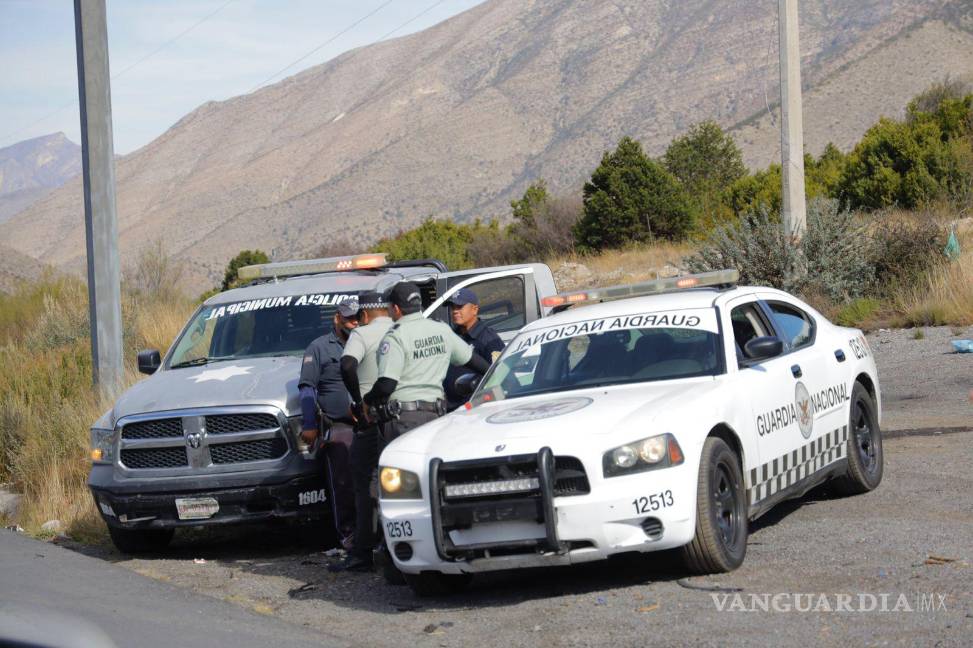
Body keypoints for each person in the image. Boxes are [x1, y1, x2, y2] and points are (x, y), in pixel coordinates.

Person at [363, 282, 491, 444]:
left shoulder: (395, 336)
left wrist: (367, 400)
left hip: (404, 420)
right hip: (436, 417)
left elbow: (387, 384)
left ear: (395, 309)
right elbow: (479, 364)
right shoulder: (441, 329)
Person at [331, 291, 394, 572]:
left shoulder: (362, 335)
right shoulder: (400, 330)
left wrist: (358, 400)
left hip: (371, 419)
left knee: (364, 481)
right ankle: (395, 548)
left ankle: (363, 552)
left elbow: (347, 365)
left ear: (365, 315)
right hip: (406, 416)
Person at [297, 298, 359, 549]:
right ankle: (349, 535)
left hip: (368, 423)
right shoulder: (319, 348)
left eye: (357, 318)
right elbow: (307, 389)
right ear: (337, 318)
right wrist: (310, 424)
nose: (354, 323)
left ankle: (375, 535)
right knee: (343, 483)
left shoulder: (367, 341)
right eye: (349, 318)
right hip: (340, 426)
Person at [443, 287, 505, 411]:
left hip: (475, 410)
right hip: (450, 410)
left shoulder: (489, 339)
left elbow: (501, 378)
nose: (455, 311)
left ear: (474, 309)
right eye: (453, 307)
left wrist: (476, 405)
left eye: (459, 307)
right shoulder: (451, 336)